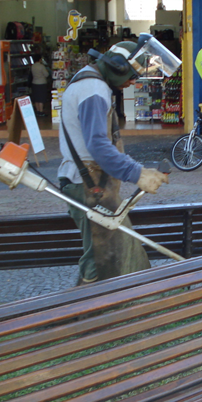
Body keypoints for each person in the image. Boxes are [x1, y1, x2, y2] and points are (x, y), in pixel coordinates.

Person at [58, 41, 169, 284]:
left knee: (106, 253)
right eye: (132, 76)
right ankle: (85, 315)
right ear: (117, 67)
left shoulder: (88, 81)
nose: (133, 82)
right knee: (98, 259)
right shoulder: (94, 90)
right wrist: (137, 173)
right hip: (87, 185)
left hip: (88, 181)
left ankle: (102, 312)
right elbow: (97, 145)